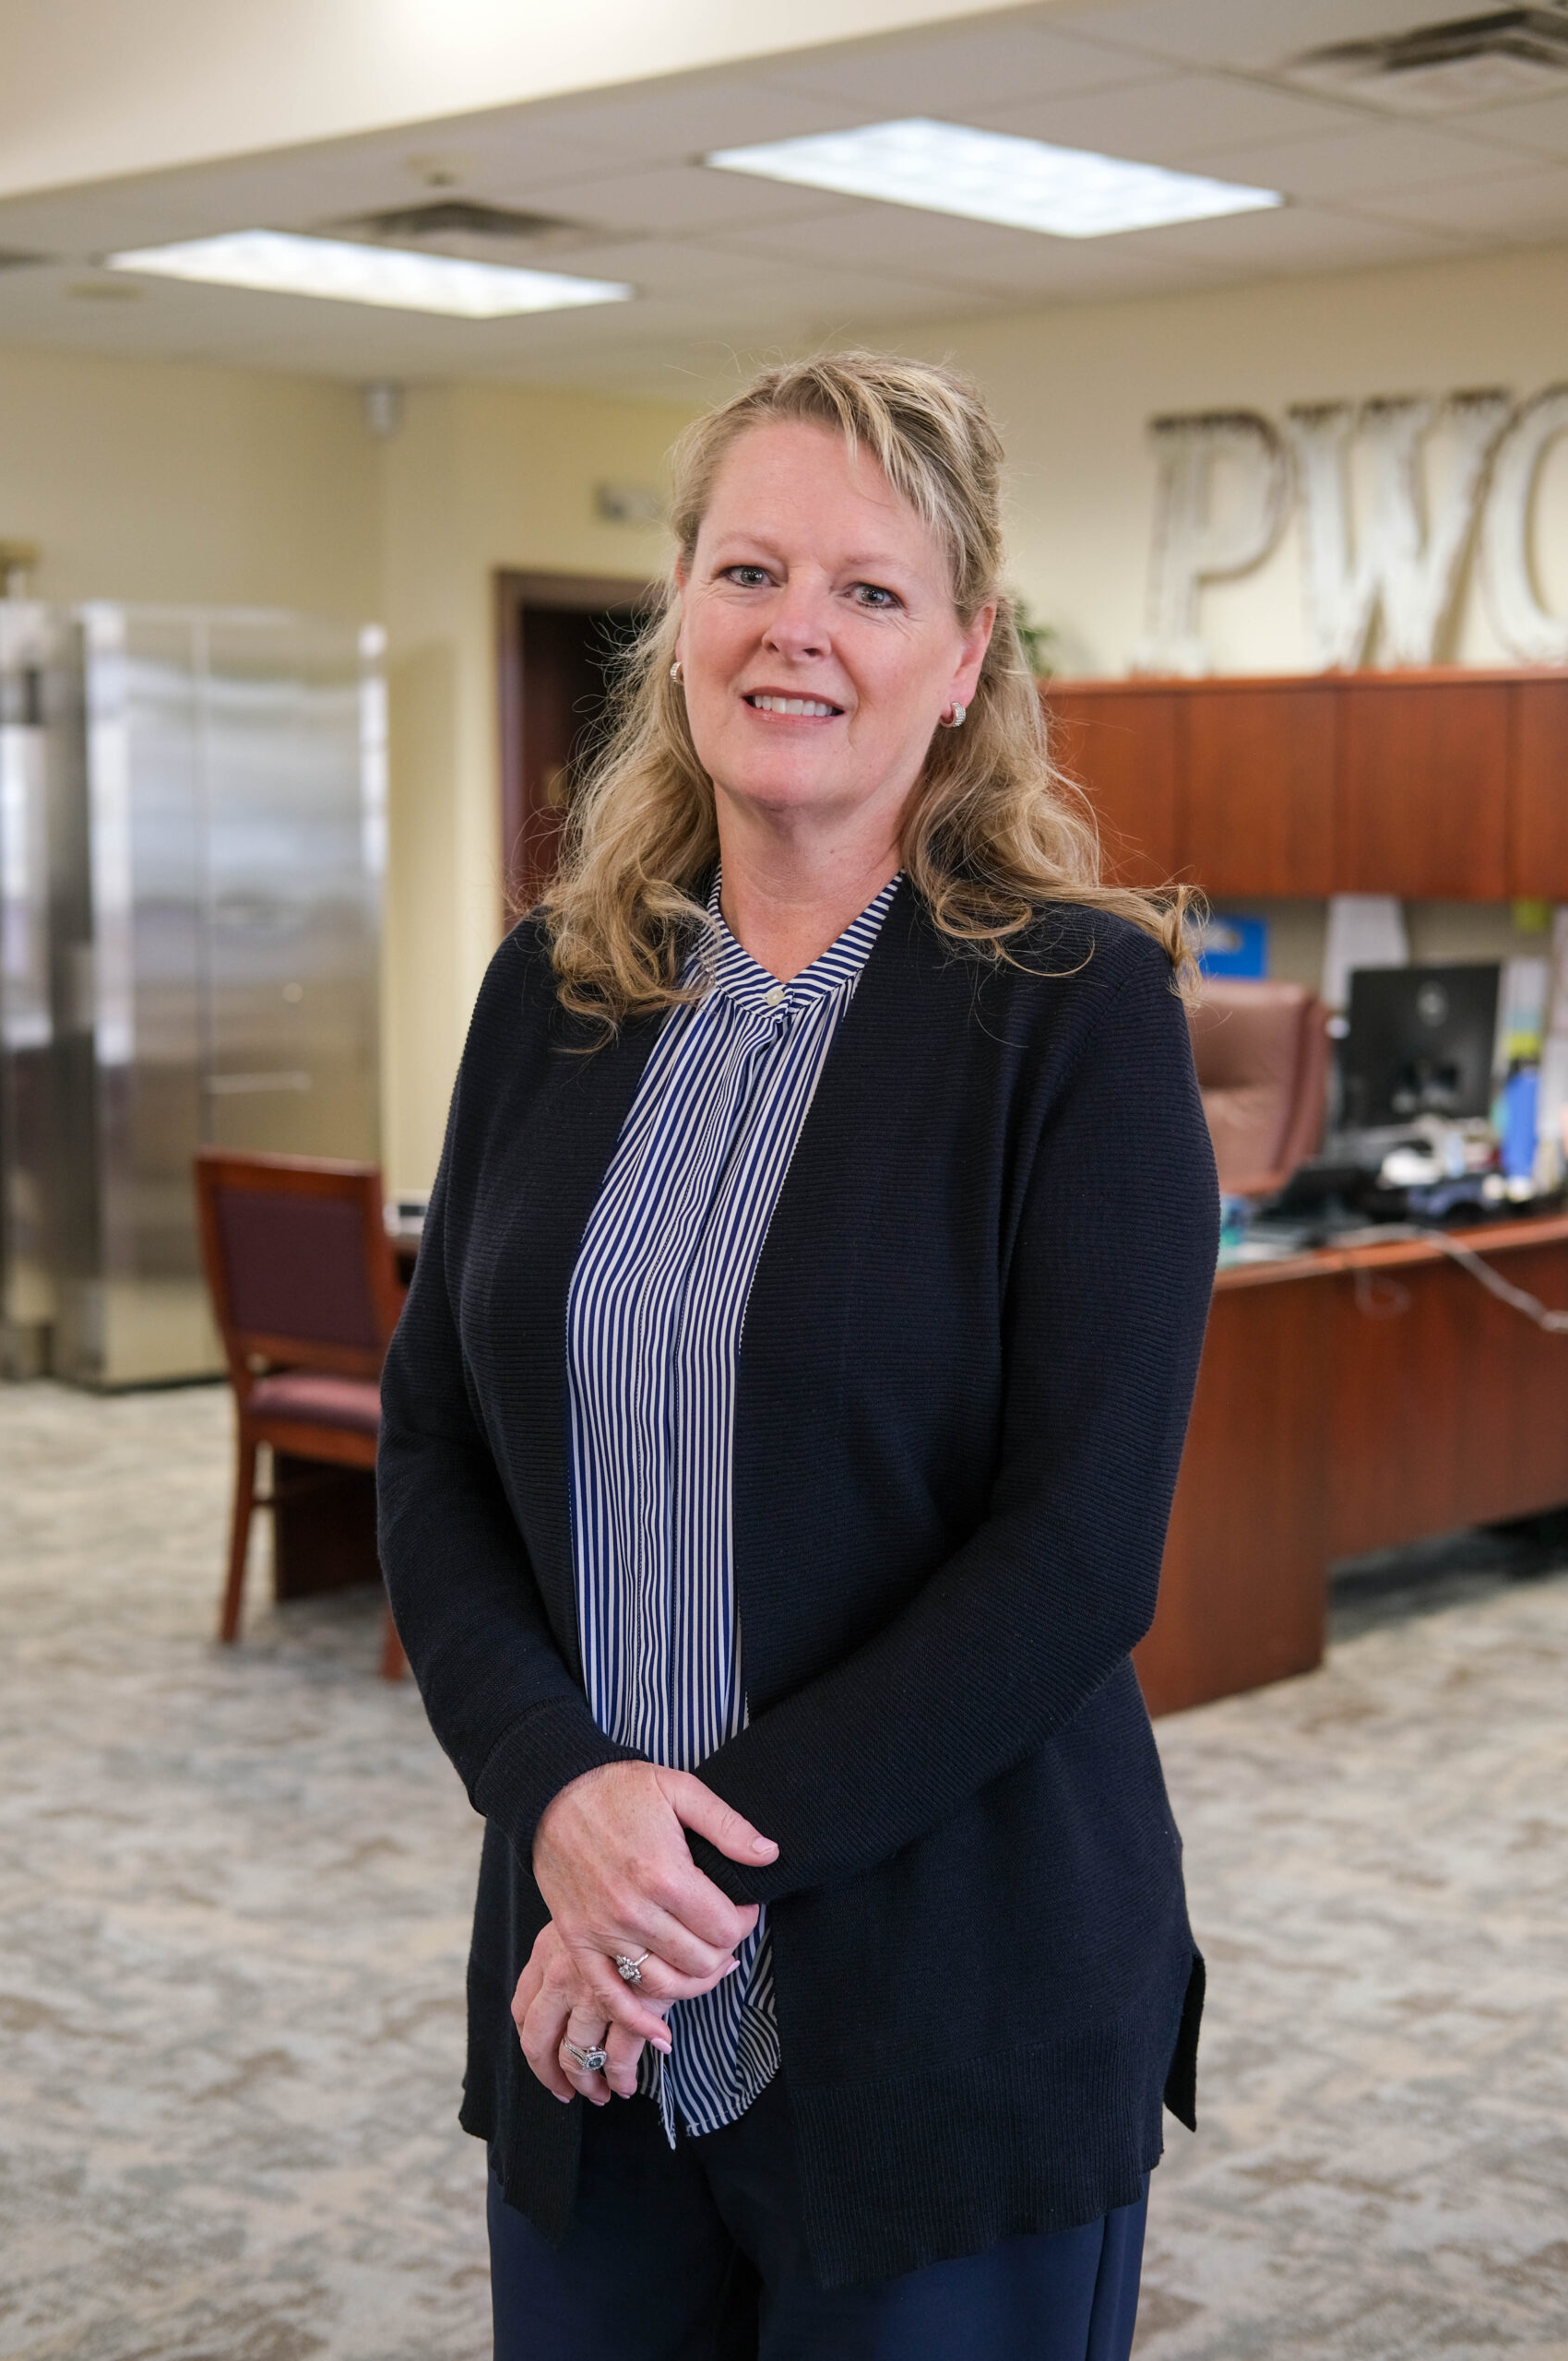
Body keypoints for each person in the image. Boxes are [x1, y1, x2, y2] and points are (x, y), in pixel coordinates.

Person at [377, 350, 1218, 2360]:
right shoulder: (551, 989)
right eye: (749, 571)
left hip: (943, 1998)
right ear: (678, 608)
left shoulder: (1075, 1013)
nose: (795, 632)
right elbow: (433, 1448)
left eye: (870, 589)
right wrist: (556, 1793)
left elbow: (1076, 1554)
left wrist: (671, 1868)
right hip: (587, 1990)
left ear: (965, 655)